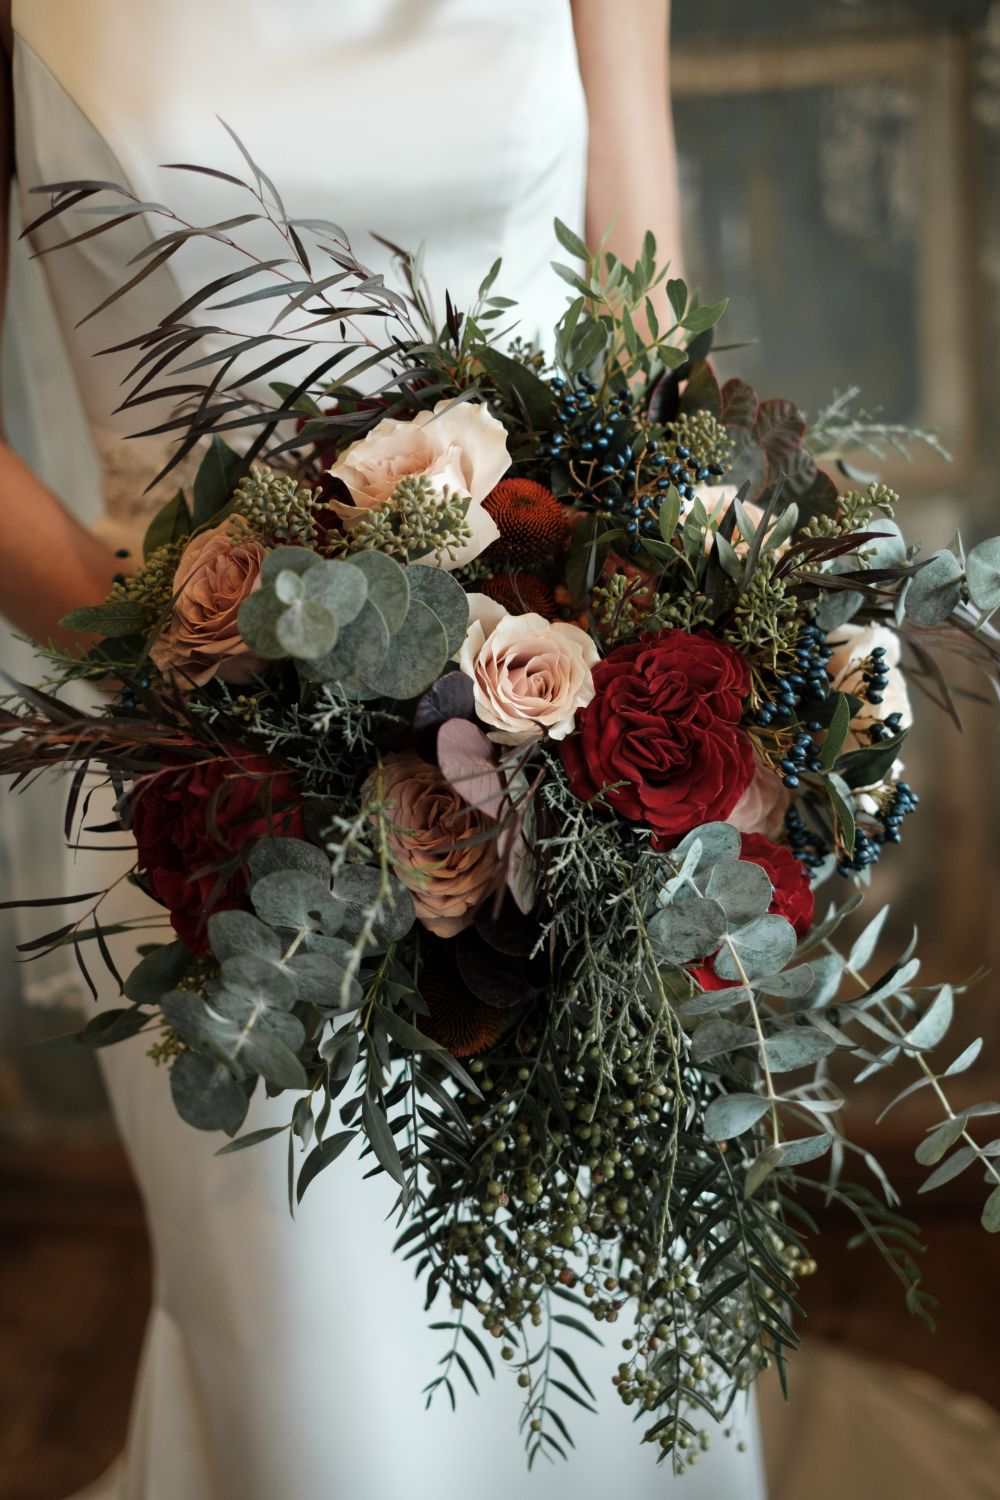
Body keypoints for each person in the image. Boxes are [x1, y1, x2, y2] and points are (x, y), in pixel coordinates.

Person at [0, 3, 767, 1496]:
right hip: (216, 795)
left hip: (562, 735)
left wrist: (682, 611)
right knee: (328, 1414)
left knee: (611, 1364)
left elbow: (641, 292)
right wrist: (209, 656)